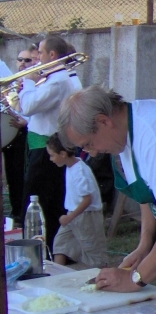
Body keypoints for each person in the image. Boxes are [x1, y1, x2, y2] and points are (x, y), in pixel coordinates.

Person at [57, 85, 156, 295]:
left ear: (103, 121)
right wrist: (144, 245)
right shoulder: (124, 133)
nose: (92, 154)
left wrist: (134, 278)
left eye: (89, 144)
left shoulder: (155, 137)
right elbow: (147, 195)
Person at [18, 35, 80, 252]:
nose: (37, 59)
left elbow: (29, 106)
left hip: (48, 149)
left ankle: (44, 249)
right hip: (40, 145)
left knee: (40, 200)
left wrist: (27, 82)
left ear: (52, 55)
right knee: (42, 199)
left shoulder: (58, 81)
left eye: (40, 54)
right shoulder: (51, 79)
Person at [46, 133, 107, 268]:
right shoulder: (71, 166)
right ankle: (57, 278)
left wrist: (70, 217)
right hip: (72, 214)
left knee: (93, 252)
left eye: (52, 155)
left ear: (62, 154)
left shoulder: (79, 171)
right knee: (60, 244)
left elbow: (87, 199)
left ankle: (103, 277)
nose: (51, 159)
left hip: (86, 216)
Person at [1, 49, 33, 224]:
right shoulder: (14, 83)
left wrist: (24, 122)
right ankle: (15, 211)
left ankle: (22, 212)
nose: (22, 63)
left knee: (21, 174)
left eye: (27, 60)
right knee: (12, 175)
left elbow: (31, 109)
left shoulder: (33, 82)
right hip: (12, 131)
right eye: (19, 59)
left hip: (26, 132)